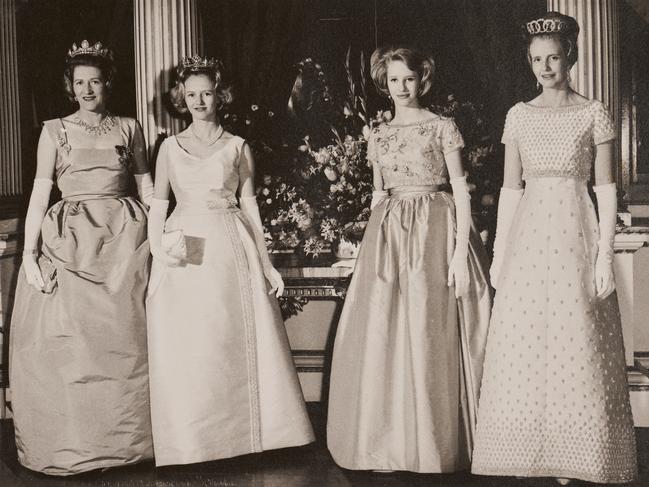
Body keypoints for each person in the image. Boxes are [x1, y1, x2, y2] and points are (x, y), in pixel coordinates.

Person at [471, 12, 637, 485]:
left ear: (572, 57)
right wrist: (500, 254)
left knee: (575, 337)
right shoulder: (519, 115)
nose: (546, 67)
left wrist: (604, 254)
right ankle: (529, 448)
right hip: (528, 236)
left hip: (574, 232)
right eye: (537, 60)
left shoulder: (592, 113)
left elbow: (606, 189)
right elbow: (509, 190)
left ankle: (578, 453)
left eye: (554, 57)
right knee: (525, 337)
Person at [326, 46, 492, 473]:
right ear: (385, 83)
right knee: (385, 330)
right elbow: (379, 193)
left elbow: (460, 190)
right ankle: (391, 443)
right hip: (389, 235)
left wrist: (459, 251)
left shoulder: (442, 127)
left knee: (427, 328)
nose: (402, 87)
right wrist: (367, 248)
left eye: (410, 79)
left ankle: (436, 443)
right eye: (395, 80)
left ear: (423, 80)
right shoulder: (378, 134)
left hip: (435, 230)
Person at [146, 55, 314, 466]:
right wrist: (156, 250)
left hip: (229, 244)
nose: (199, 100)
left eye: (206, 92)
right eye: (191, 94)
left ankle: (244, 438)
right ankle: (194, 442)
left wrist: (268, 262)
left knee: (230, 337)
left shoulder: (237, 146)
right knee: (193, 343)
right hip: (185, 248)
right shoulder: (169, 147)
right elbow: (157, 204)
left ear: (219, 96)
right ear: (180, 100)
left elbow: (251, 207)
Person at [9, 40, 154, 475]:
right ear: (70, 87)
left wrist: (162, 234)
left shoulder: (129, 127)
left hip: (126, 238)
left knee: (127, 339)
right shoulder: (53, 130)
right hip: (69, 237)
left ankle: (133, 445)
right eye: (79, 83)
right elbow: (39, 194)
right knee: (75, 343)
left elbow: (147, 186)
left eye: (94, 81)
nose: (87, 90)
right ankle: (77, 444)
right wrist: (30, 253)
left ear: (107, 82)